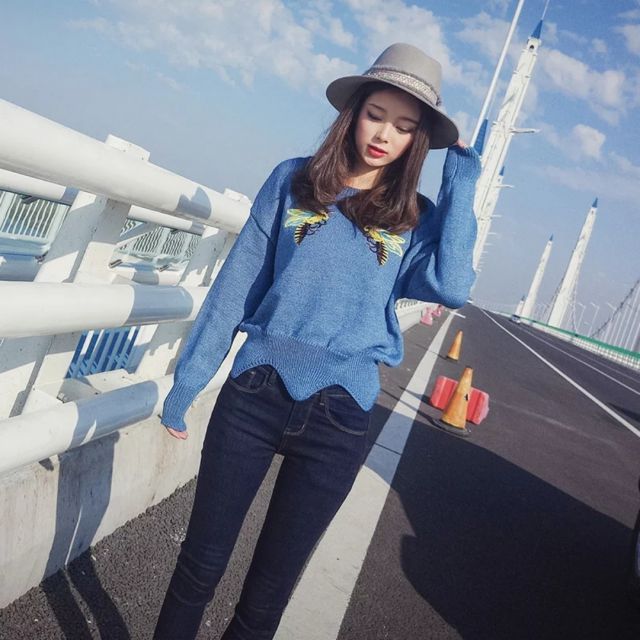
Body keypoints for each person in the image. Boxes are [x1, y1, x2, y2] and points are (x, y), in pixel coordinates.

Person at [153, 42, 481, 639]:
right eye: (375, 115)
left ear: (418, 140)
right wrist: (189, 382)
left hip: (341, 416)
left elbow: (453, 285)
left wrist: (461, 181)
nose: (384, 134)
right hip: (253, 394)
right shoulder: (293, 180)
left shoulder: (415, 216)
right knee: (198, 570)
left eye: (404, 126)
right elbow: (236, 288)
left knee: (265, 602)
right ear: (354, 112)